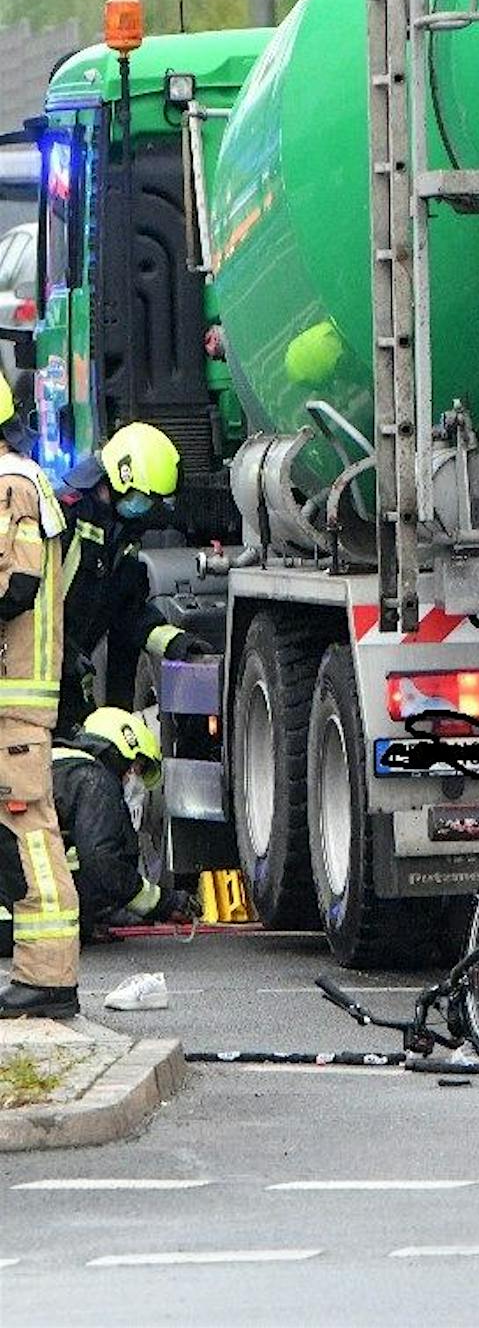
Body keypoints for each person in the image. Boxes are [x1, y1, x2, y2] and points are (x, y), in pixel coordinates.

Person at [0, 374, 79, 1017]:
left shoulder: (12, 484)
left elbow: (13, 589)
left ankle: (50, 978)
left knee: (29, 832)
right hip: (11, 697)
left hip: (15, 700)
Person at [56, 423, 210, 738]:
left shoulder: (121, 533)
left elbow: (129, 614)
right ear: (120, 477)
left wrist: (175, 643)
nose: (145, 509)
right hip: (43, 672)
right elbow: (37, 605)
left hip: (70, 673)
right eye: (143, 498)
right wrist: (65, 655)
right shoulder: (65, 517)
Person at [0, 708, 191, 947]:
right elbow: (103, 865)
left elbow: (72, 868)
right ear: (122, 755)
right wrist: (166, 903)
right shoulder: (94, 781)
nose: (135, 780)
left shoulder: (50, 765)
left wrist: (88, 922)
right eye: (138, 769)